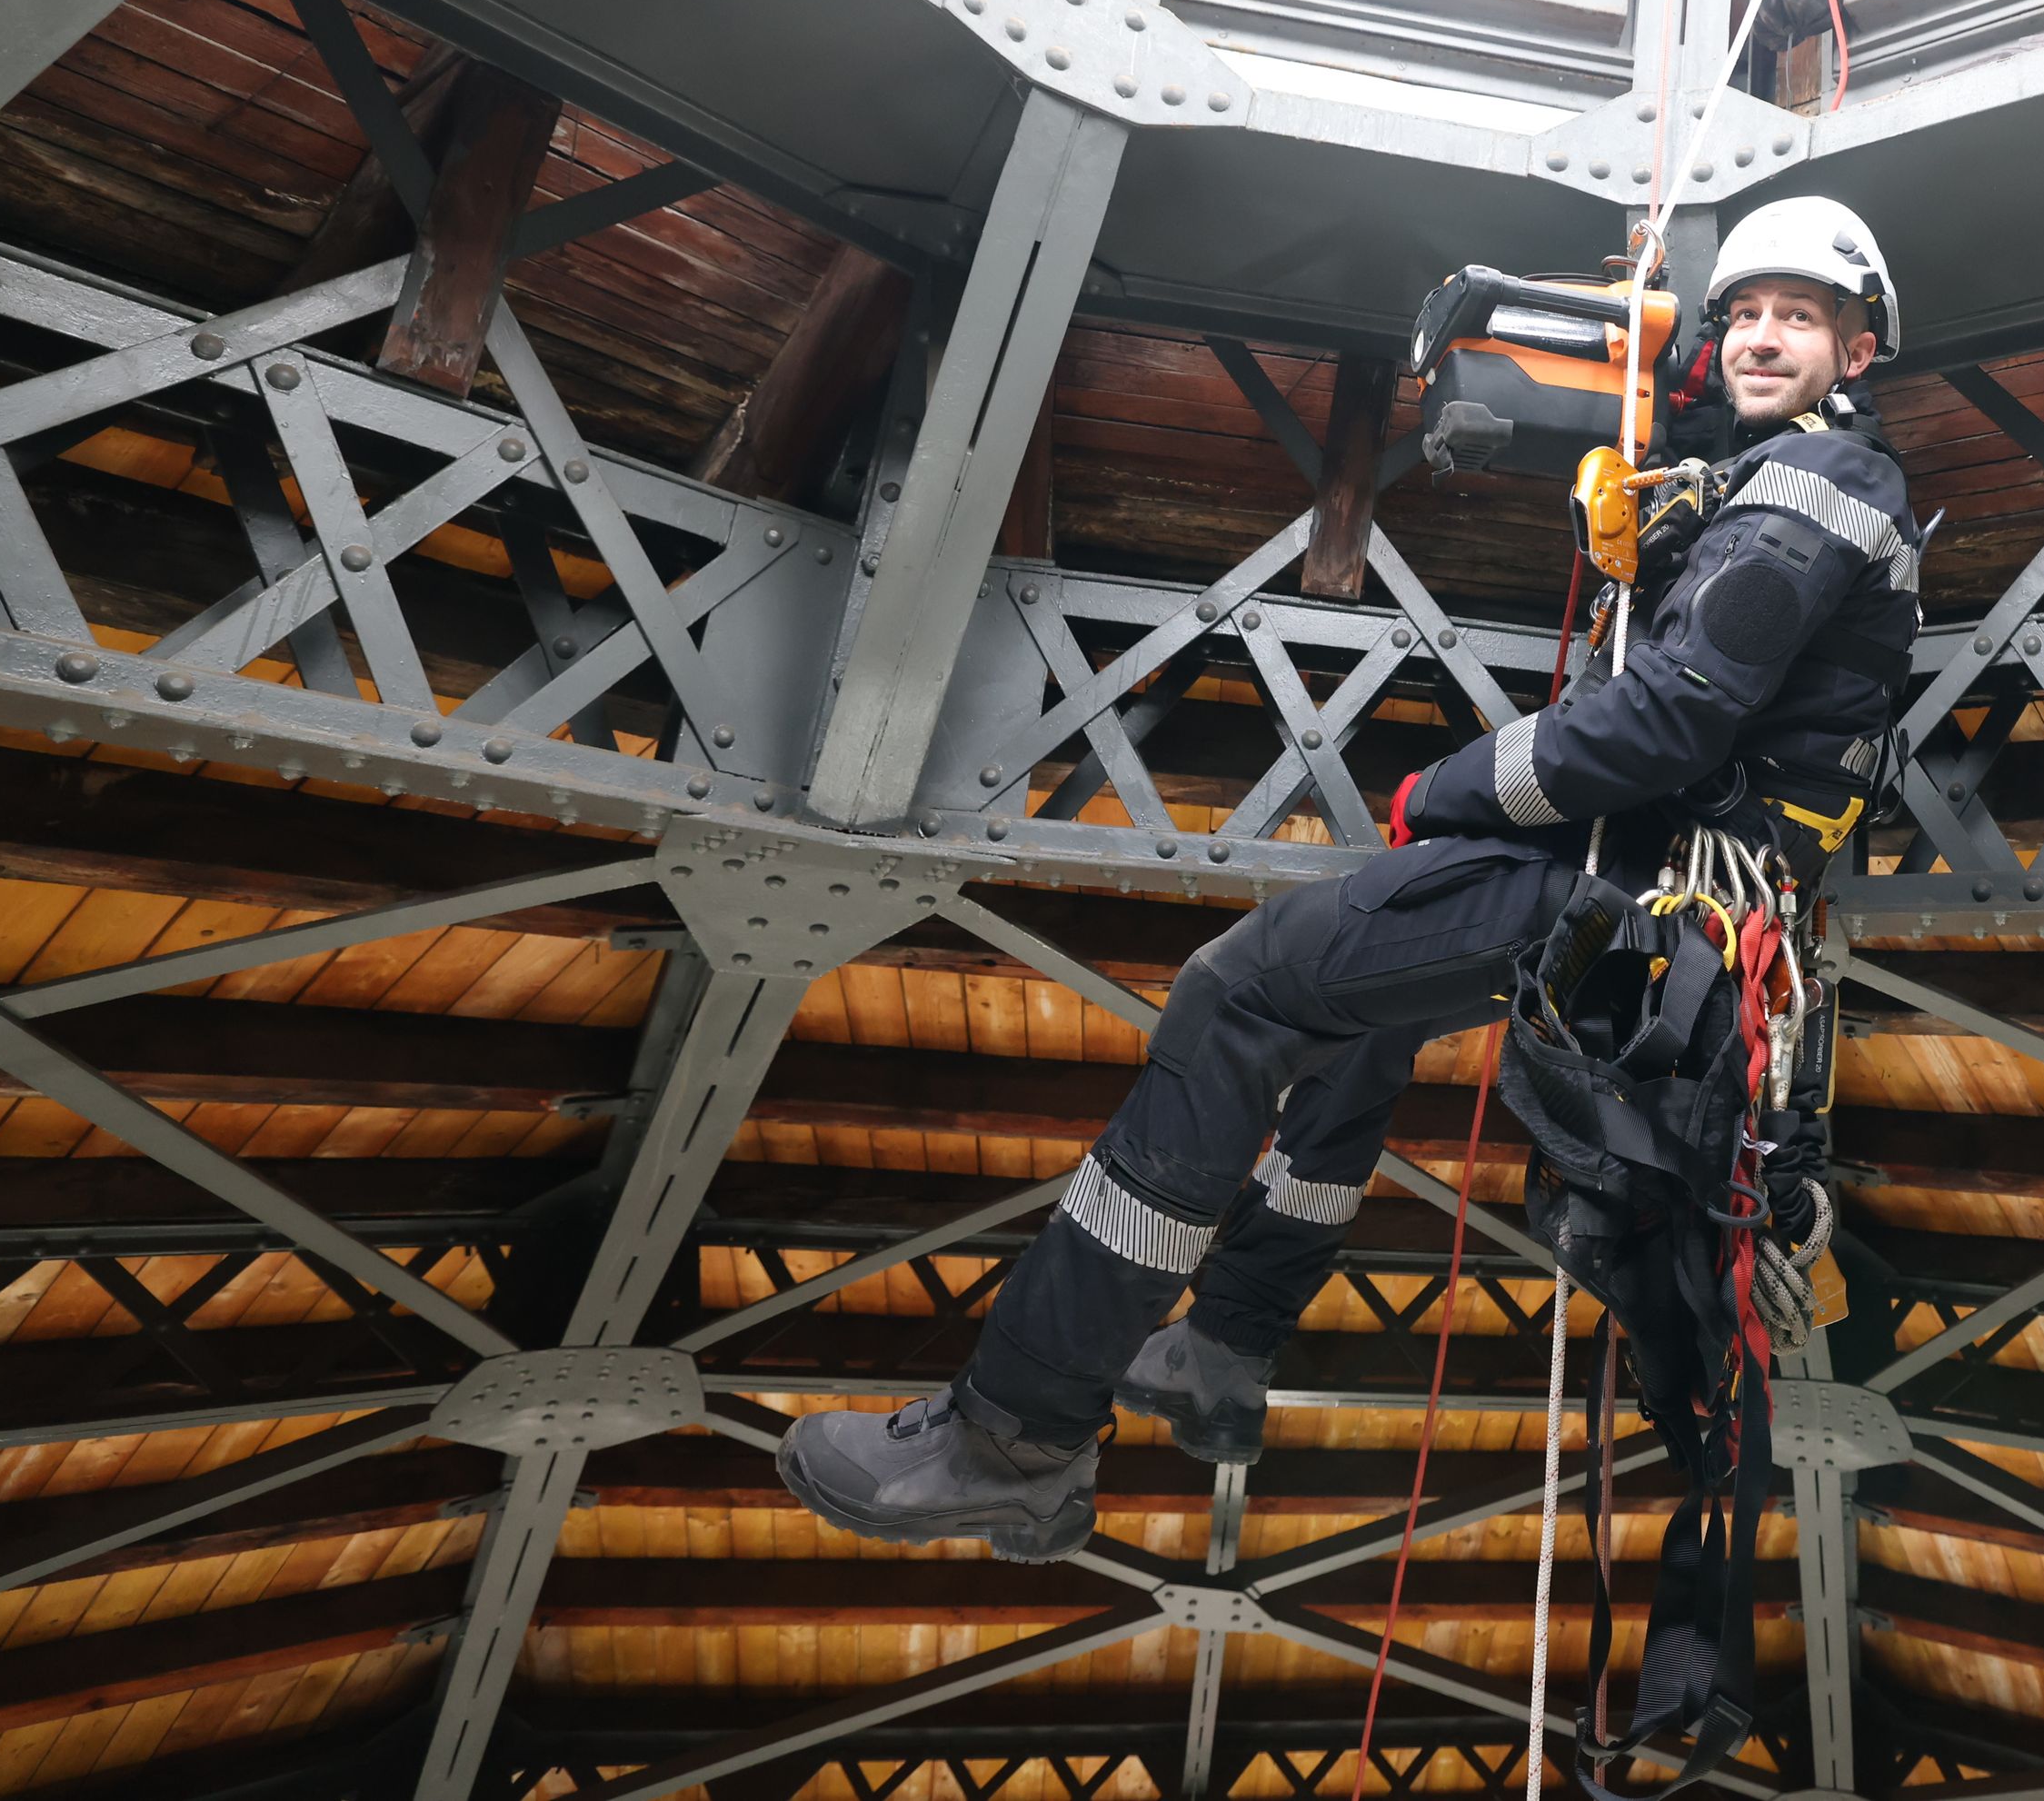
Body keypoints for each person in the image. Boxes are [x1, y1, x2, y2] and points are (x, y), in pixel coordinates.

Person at [774, 196, 1922, 1561]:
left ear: (1856, 353)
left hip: (1638, 895)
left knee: (1235, 998)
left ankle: (1014, 1435)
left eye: (1799, 317)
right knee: (1350, 1019)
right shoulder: (1763, 483)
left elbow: (1668, 720)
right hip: (1643, 905)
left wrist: (1444, 791)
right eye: (1743, 313)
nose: (1761, 337)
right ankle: (1227, 1350)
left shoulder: (1822, 486)